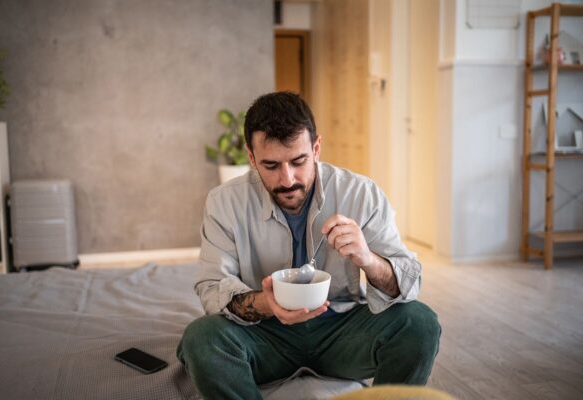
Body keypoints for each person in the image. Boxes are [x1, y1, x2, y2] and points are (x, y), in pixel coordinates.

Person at [177, 92, 441, 400]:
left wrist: (368, 259)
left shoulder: (360, 193)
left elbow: (409, 282)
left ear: (316, 148)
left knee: (420, 324)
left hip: (342, 331)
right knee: (201, 339)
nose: (287, 179)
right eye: (270, 165)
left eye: (298, 161)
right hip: (264, 334)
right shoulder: (224, 202)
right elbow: (212, 289)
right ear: (251, 157)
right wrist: (266, 303)